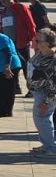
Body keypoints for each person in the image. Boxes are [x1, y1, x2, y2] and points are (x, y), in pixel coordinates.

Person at [28, 27, 56, 155]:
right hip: (38, 91)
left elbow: (54, 85)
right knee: (40, 119)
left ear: (47, 43)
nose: (36, 40)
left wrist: (46, 102)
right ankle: (46, 144)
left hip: (47, 94)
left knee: (43, 119)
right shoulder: (40, 53)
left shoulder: (52, 61)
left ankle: (50, 148)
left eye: (39, 40)